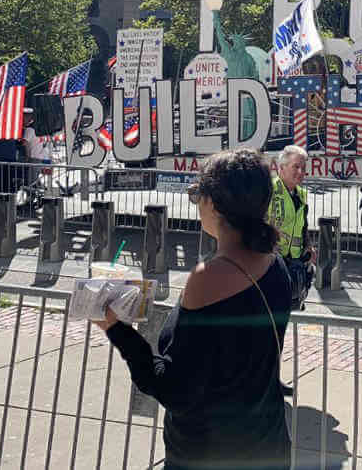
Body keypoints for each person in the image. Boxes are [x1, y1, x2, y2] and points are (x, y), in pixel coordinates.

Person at [95, 149, 292, 470]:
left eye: (195, 193)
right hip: (268, 443)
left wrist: (116, 329)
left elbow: (175, 390)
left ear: (212, 203)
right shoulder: (275, 263)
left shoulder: (209, 278)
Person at [268, 144, 315, 310]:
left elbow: (303, 225)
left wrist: (308, 245)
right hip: (271, 262)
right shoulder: (269, 190)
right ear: (281, 168)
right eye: (296, 167)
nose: (301, 172)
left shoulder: (301, 194)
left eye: (303, 168)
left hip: (293, 262)